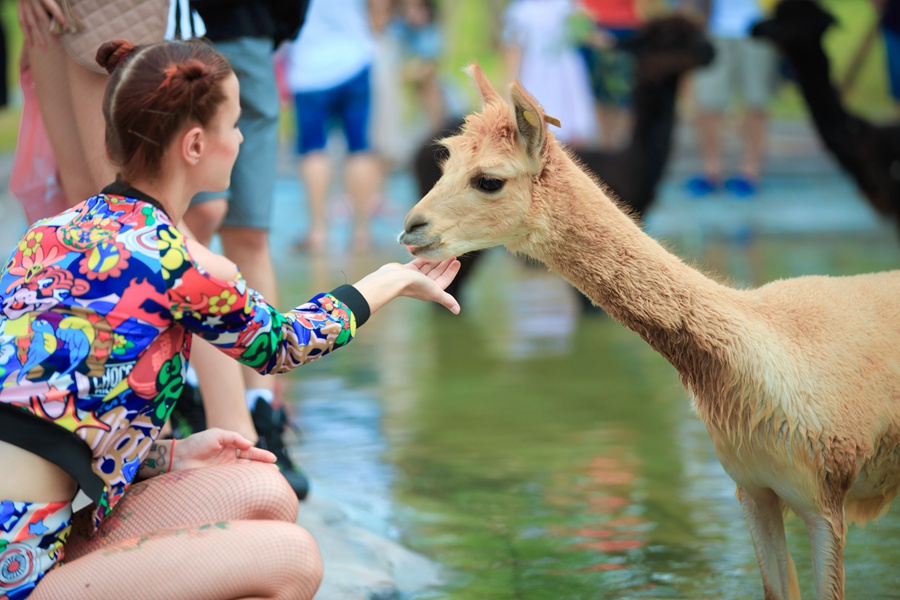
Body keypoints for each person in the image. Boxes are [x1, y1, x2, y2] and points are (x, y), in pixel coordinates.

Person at [0, 38, 461, 599]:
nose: (241, 138)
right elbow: (284, 344)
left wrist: (167, 454)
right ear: (196, 144)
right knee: (291, 558)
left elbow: (50, 403)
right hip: (18, 574)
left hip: (26, 543)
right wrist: (387, 280)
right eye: (235, 123)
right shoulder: (179, 261)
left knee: (262, 490)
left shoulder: (51, 234)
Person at [181, 0, 312, 498]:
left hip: (249, 29)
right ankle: (197, 401)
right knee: (198, 218)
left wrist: (275, 24)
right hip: (177, 29)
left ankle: (263, 409)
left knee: (251, 230)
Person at [286, 0, 386, 253]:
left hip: (307, 66)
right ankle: (361, 233)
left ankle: (318, 232)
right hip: (354, 57)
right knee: (359, 147)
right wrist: (375, 25)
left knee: (312, 149)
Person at [682, 0, 777, 198]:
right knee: (707, 101)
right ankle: (711, 170)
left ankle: (750, 172)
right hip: (714, 27)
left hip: (758, 28)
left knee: (756, 102)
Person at [501, 0, 598, 147]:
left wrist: (586, 21)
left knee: (573, 132)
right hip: (536, 76)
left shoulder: (567, 6)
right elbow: (514, 50)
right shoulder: (521, 11)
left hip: (566, 76)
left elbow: (587, 32)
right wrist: (511, 83)